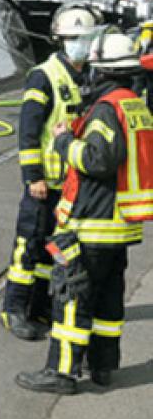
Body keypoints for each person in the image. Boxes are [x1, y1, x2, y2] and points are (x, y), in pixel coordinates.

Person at [16, 30, 152, 394]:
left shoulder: (107, 109)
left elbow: (98, 160)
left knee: (72, 297)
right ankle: (103, 366)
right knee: (108, 300)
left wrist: (63, 142)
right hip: (119, 225)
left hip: (93, 222)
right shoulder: (134, 104)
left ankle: (61, 372)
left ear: (102, 70)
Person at [0, 4, 100, 341]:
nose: (79, 45)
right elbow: (28, 130)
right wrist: (33, 177)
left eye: (83, 39)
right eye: (73, 39)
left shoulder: (88, 76)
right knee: (27, 246)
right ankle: (13, 308)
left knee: (54, 250)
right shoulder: (44, 76)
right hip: (45, 183)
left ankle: (39, 307)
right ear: (62, 40)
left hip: (71, 185)